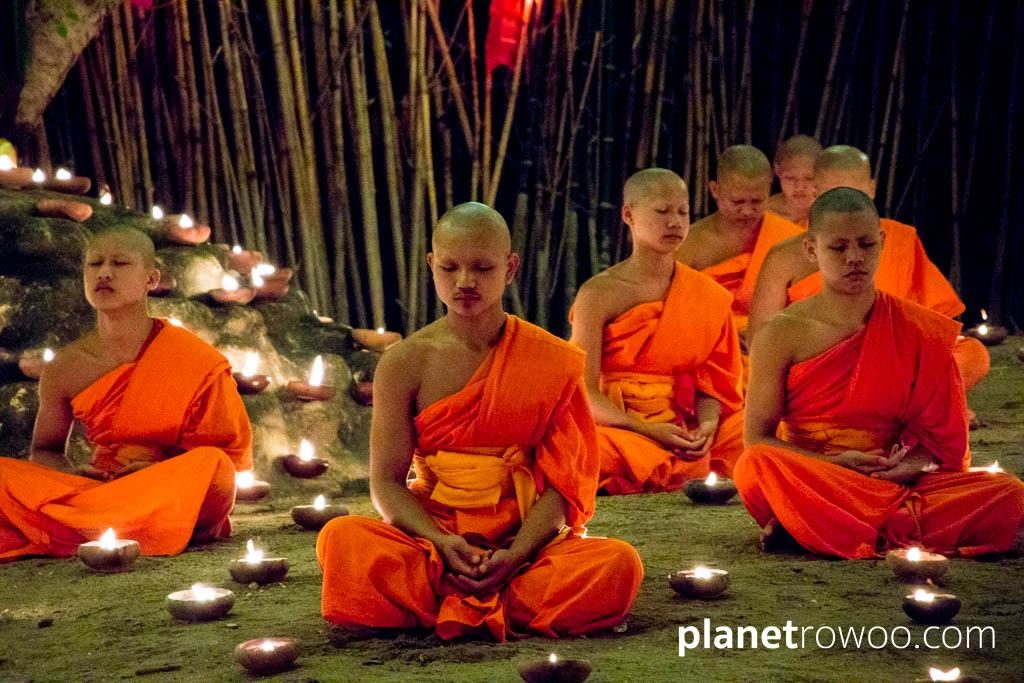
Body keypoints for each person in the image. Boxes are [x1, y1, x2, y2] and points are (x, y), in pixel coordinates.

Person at [316, 202, 643, 642]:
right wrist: (442, 542)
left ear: (510, 269)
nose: (464, 281)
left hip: (523, 544)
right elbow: (387, 484)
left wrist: (518, 552)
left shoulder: (550, 360)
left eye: (482, 268)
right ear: (431, 265)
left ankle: (446, 603)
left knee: (619, 563)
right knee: (341, 538)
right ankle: (505, 603)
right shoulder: (403, 363)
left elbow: (561, 486)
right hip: (434, 539)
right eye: (450, 267)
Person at [735, 188, 1024, 559]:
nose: (854, 258)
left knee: (1009, 492)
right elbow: (757, 439)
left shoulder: (915, 328)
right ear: (811, 249)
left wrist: (904, 468)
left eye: (866, 244)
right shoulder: (781, 332)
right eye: (838, 248)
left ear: (882, 242)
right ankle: (853, 522)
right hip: (816, 477)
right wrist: (833, 465)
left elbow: (939, 447)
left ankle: (814, 526)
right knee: (757, 465)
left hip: (891, 481)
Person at [0, 226, 252, 561]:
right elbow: (45, 450)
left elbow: (227, 459)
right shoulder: (67, 366)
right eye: (94, 264)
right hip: (104, 487)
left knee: (212, 465)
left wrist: (156, 470)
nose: (104, 272)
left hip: (171, 487)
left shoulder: (191, 358)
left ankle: (70, 526)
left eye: (119, 263)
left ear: (151, 279)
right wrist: (71, 474)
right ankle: (111, 524)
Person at [748, 145, 990, 393]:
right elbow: (762, 341)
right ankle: (911, 407)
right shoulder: (786, 253)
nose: (847, 208)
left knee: (971, 353)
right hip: (823, 370)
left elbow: (930, 324)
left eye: (855, 195)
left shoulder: (898, 240)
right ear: (816, 193)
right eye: (836, 197)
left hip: (892, 364)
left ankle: (912, 403)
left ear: (872, 189)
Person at [571, 168, 744, 491]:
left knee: (750, 432)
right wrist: (647, 430)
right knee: (578, 449)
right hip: (618, 426)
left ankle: (686, 458)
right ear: (628, 214)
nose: (675, 222)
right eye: (662, 211)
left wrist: (706, 426)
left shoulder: (707, 294)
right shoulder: (598, 294)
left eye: (682, 211)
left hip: (681, 426)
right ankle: (668, 463)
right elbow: (583, 392)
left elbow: (713, 389)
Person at [676, 145, 804, 339]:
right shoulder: (690, 243)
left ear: (769, 189)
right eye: (737, 202)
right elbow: (673, 313)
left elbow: (807, 309)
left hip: (771, 346)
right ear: (715, 190)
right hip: (706, 345)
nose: (747, 211)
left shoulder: (788, 238)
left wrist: (763, 337)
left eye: (756, 201)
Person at [764, 134, 822, 225]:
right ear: (777, 170)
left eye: (809, 178)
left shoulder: (831, 216)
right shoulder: (764, 214)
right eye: (790, 178)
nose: (799, 187)